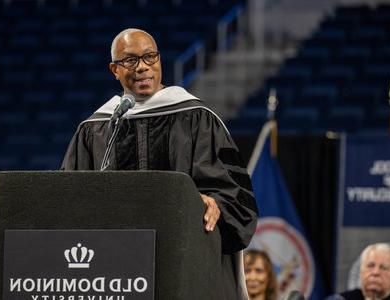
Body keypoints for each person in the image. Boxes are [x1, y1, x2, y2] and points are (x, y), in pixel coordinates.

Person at [61, 28, 258, 299]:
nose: (142, 67)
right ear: (114, 70)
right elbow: (67, 200)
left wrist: (216, 204)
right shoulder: (96, 128)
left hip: (186, 266)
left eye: (150, 57)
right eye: (130, 60)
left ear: (160, 60)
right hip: (116, 274)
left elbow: (235, 199)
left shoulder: (197, 118)